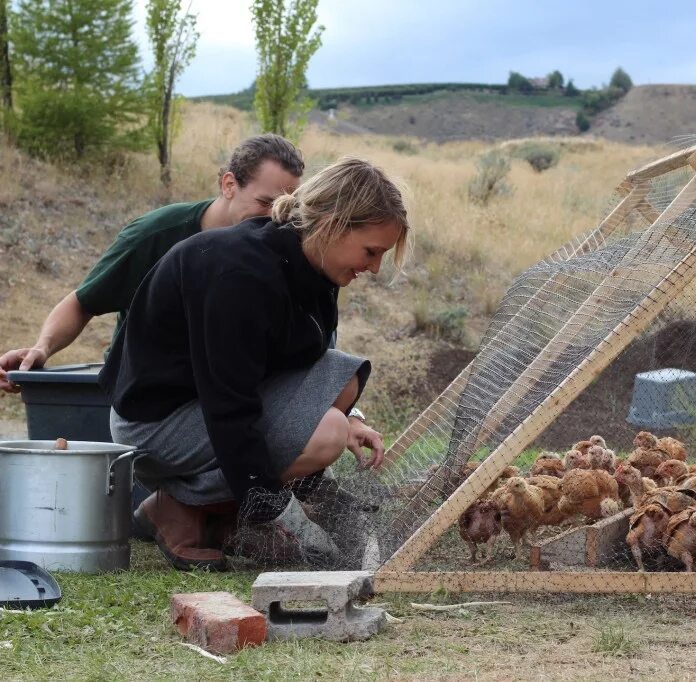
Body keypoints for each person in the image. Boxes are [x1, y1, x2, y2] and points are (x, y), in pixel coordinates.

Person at [99, 157, 410, 571]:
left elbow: (304, 367)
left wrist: (352, 416)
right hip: (157, 424)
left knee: (342, 389)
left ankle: (225, 513)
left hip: (209, 404)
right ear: (334, 223)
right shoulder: (240, 274)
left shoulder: (312, 268)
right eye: (371, 251)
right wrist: (289, 519)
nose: (373, 267)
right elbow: (229, 405)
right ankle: (182, 506)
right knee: (327, 433)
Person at [0, 134, 305, 393]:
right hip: (145, 398)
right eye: (265, 203)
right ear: (229, 184)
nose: (274, 218)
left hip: (229, 392)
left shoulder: (282, 247)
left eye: (285, 208)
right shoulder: (156, 235)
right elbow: (83, 302)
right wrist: (42, 348)